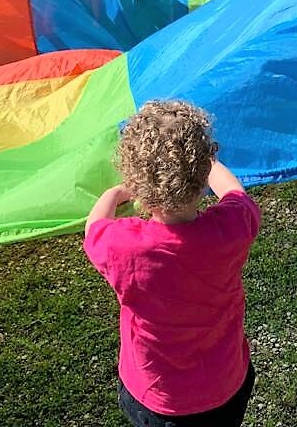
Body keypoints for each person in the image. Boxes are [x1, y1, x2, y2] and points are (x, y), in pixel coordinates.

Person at [84, 100, 260, 427]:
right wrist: (206, 162)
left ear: (138, 187)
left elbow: (93, 227)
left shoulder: (123, 248)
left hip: (157, 396)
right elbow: (235, 193)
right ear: (202, 175)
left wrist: (114, 194)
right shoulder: (232, 228)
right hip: (225, 384)